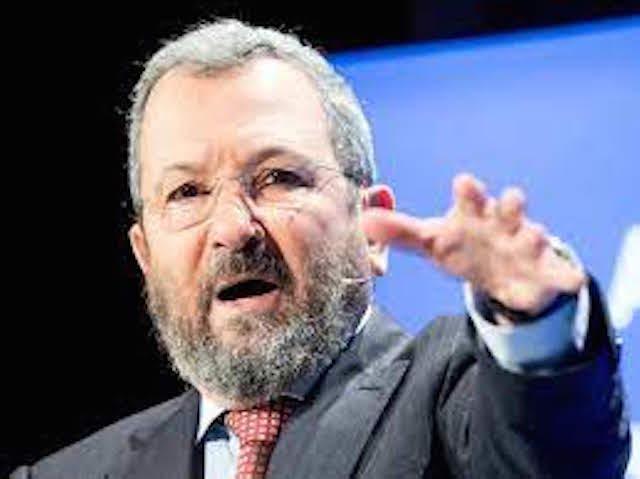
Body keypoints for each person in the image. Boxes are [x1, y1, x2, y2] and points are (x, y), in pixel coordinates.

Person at [11, 18, 630, 479]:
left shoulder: (453, 394)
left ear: (371, 228)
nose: (234, 227)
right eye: (187, 192)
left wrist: (536, 322)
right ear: (146, 256)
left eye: (278, 178)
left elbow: (553, 455)